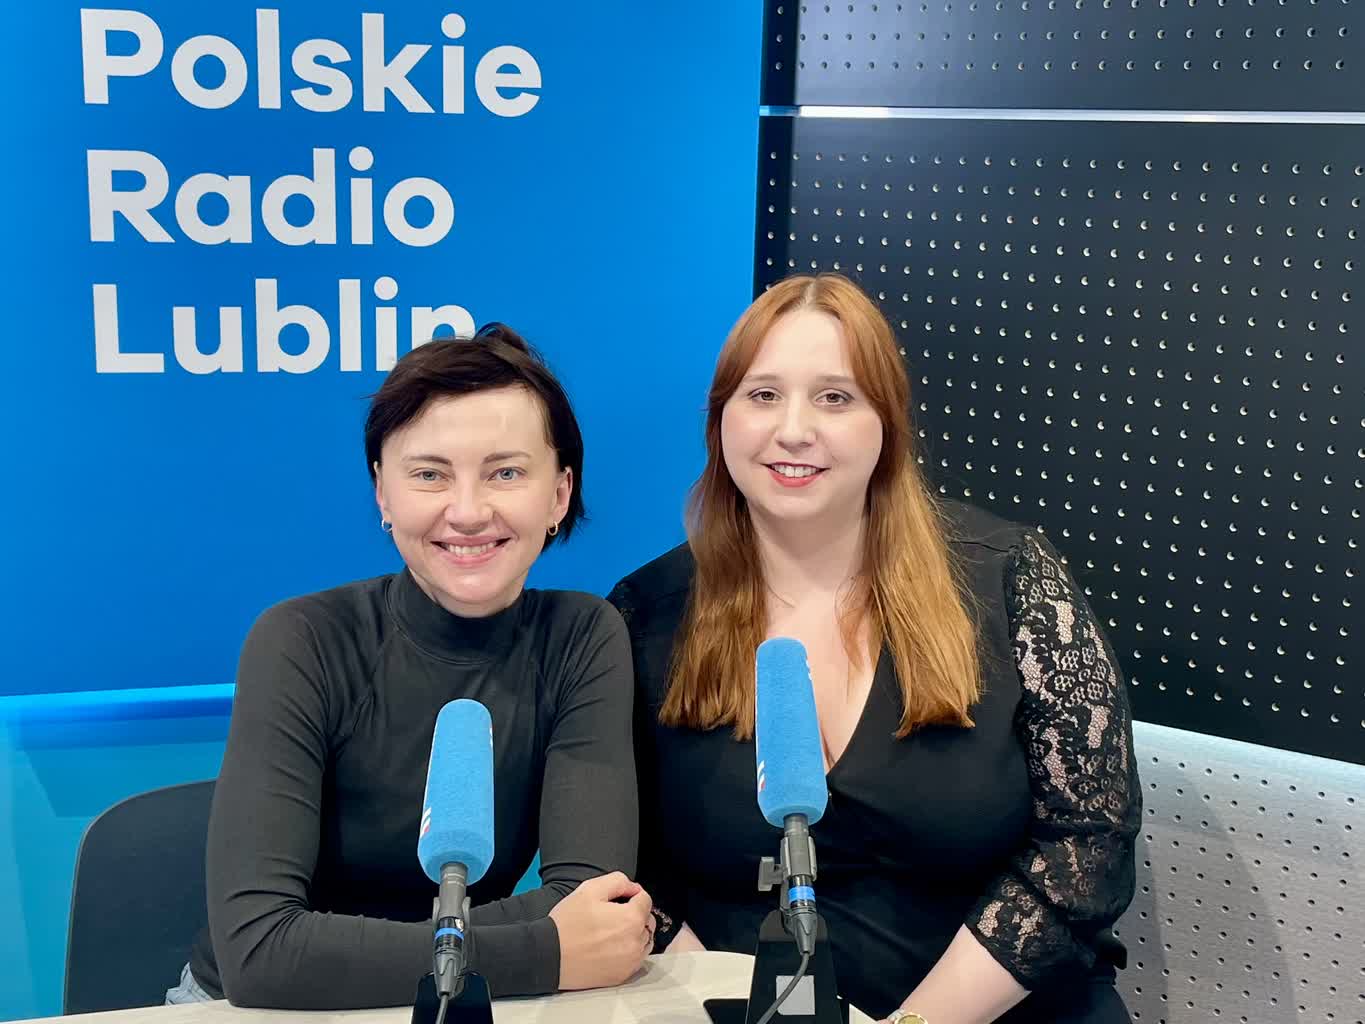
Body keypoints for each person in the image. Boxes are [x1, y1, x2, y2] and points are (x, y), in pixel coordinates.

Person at [608, 275, 1142, 1024]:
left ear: (885, 421)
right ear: (721, 419)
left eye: (835, 397)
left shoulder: (1009, 578)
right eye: (763, 395)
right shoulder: (643, 615)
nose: (794, 430)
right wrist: (707, 1005)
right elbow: (622, 866)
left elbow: (1086, 846)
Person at [176, 325, 652, 1009]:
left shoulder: (581, 637)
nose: (468, 512)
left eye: (506, 473)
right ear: (383, 492)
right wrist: (543, 948)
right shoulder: (303, 639)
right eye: (430, 474)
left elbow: (594, 906)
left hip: (469, 1000)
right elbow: (260, 954)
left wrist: (348, 950)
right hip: (266, 1012)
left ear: (558, 494)